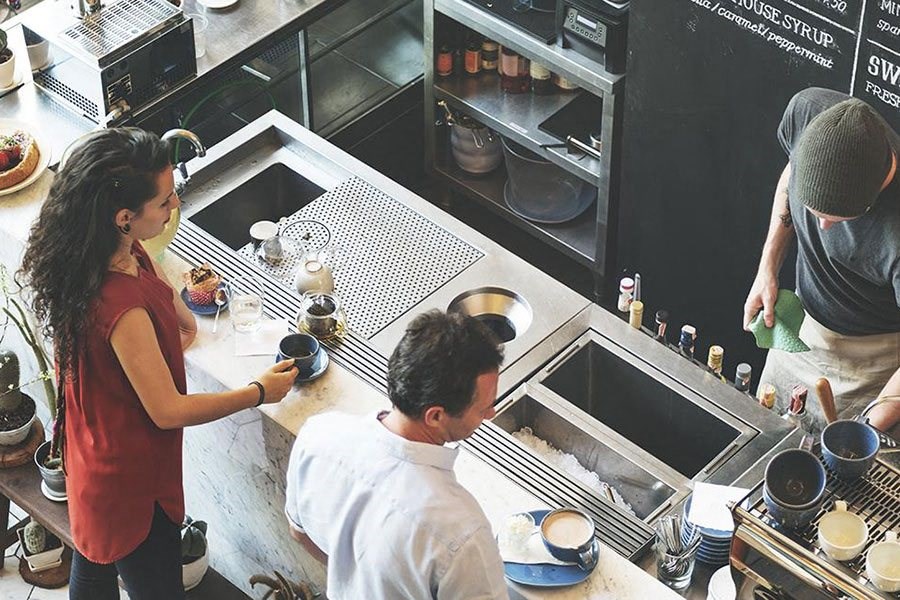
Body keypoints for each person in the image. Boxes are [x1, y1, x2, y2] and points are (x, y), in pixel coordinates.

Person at [18, 128, 299, 600]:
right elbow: (167, 410)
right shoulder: (120, 307)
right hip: (128, 478)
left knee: (94, 557)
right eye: (166, 201)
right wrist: (257, 391)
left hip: (95, 448)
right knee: (152, 584)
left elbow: (180, 321)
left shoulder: (105, 254)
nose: (174, 208)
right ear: (124, 217)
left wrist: (172, 300)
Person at [285, 310, 509, 600]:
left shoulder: (318, 434)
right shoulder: (463, 533)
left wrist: (360, 580)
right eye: (484, 408)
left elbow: (298, 532)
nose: (491, 413)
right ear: (436, 416)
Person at [743, 88, 900, 434]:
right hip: (800, 332)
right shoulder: (808, 111)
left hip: (868, 367)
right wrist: (768, 265)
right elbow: (790, 173)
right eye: (813, 212)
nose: (822, 227)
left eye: (837, 218)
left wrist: (867, 430)